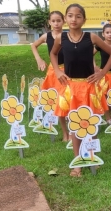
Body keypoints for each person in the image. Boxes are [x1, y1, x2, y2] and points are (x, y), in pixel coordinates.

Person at [50, 3, 111, 177]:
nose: (74, 19)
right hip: (71, 88)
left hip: (89, 88)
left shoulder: (92, 37)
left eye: (78, 16)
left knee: (91, 123)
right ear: (66, 18)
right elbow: (53, 54)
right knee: (75, 126)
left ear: (84, 19)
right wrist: (57, 70)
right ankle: (78, 163)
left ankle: (92, 157)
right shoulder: (61, 38)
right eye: (70, 15)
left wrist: (102, 73)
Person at [30, 11, 69, 142]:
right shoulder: (47, 36)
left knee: (68, 101)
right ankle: (65, 134)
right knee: (59, 102)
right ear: (49, 22)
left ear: (63, 21)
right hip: (54, 72)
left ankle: (73, 132)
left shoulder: (68, 35)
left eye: (59, 20)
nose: (56, 23)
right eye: (53, 21)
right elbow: (33, 45)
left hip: (68, 71)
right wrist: (39, 60)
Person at [93, 24, 111, 123]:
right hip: (104, 75)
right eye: (107, 33)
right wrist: (95, 67)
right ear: (103, 34)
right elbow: (90, 55)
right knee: (104, 96)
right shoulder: (100, 45)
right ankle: (108, 117)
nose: (110, 35)